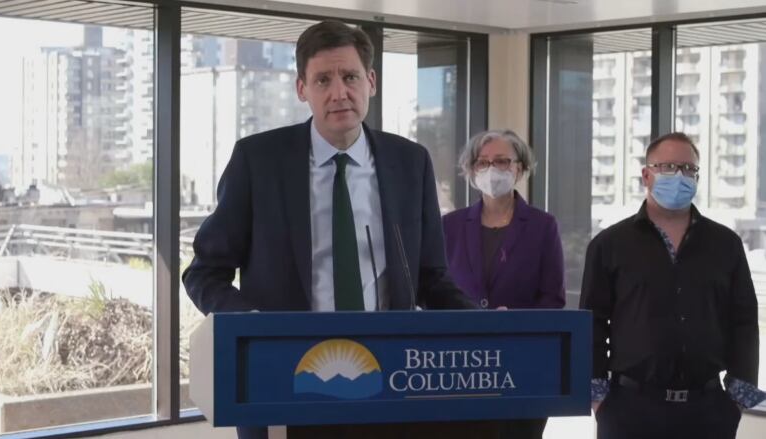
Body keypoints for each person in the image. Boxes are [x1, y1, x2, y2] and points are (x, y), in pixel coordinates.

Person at [182, 20, 475, 439]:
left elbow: (431, 278)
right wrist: (251, 323)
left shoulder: (410, 162)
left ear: (370, 82)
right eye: (323, 79)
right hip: (284, 377)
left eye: (350, 76)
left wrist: (485, 323)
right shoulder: (258, 160)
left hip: (387, 380)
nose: (340, 92)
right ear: (302, 89)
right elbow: (204, 272)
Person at [580, 132, 765, 439]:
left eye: (689, 169)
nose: (680, 176)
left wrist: (736, 399)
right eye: (668, 167)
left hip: (708, 412)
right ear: (646, 175)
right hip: (628, 410)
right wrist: (599, 400)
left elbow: (743, 321)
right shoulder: (609, 244)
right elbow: (593, 324)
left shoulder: (726, 244)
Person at [442, 129, 565, 438]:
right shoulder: (450, 226)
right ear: (470, 171)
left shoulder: (542, 226)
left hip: (522, 365)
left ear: (520, 169)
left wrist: (515, 320)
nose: (491, 169)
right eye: (482, 163)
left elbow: (553, 299)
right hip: (462, 365)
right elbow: (436, 291)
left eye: (501, 161)